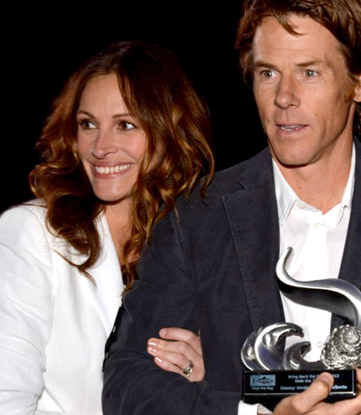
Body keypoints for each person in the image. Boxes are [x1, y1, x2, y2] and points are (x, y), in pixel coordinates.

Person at [102, 1, 361, 414]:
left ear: (360, 81)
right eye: (268, 73)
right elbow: (126, 383)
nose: (284, 97)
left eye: (309, 72)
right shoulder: (195, 217)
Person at [0, 41, 213, 415]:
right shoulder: (32, 234)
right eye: (88, 125)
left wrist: (206, 377)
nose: (100, 147)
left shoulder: (202, 248)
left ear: (169, 133)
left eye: (125, 125)